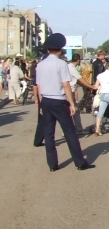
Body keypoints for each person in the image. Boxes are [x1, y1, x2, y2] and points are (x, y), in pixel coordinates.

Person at [35, 33, 95, 171]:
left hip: (46, 100)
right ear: (60, 50)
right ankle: (80, 162)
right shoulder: (62, 64)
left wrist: (41, 103)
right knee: (70, 132)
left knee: (49, 133)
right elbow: (66, 84)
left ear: (48, 49)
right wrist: (72, 104)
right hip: (59, 101)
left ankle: (52, 164)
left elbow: (39, 86)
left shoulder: (40, 65)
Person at [67, 54, 96, 133]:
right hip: (70, 92)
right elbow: (81, 80)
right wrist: (92, 87)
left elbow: (79, 82)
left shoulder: (69, 67)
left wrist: (88, 87)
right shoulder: (71, 68)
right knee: (72, 110)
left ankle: (77, 129)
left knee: (74, 111)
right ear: (78, 60)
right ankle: (75, 129)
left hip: (69, 90)